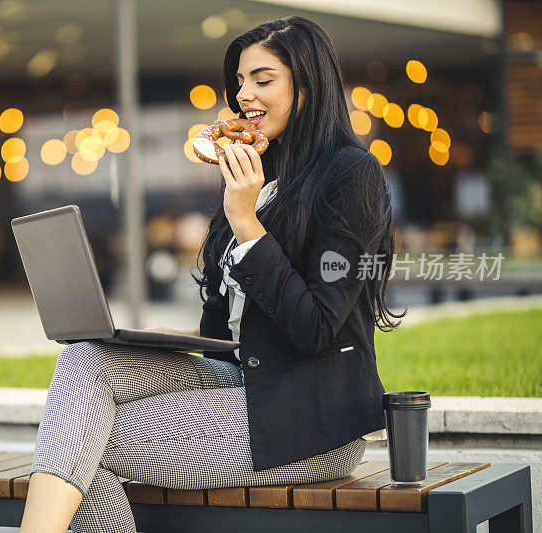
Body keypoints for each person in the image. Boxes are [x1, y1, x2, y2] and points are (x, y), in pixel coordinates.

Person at [20, 15, 406, 532]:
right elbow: (225, 335)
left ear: (308, 88)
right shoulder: (248, 175)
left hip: (313, 417)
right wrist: (165, 341)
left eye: (263, 80)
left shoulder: (351, 175)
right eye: (241, 82)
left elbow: (316, 327)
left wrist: (246, 222)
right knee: (86, 358)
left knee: (82, 442)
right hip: (241, 381)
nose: (244, 94)